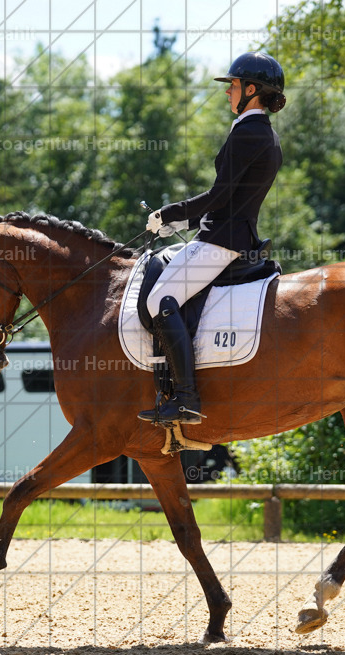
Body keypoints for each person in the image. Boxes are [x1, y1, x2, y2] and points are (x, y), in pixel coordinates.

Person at [138, 51, 286, 425]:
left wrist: (167, 213)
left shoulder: (249, 133)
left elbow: (219, 195)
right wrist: (183, 226)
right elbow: (231, 200)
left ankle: (186, 398)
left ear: (251, 90)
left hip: (223, 241)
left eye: (233, 86)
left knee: (160, 300)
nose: (228, 93)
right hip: (225, 233)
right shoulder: (261, 133)